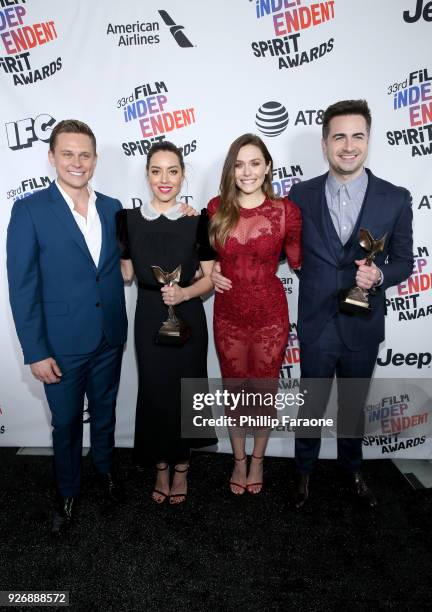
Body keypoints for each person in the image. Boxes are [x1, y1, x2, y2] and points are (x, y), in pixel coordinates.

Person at [214, 101, 414, 508]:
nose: (348, 145)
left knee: (354, 405)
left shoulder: (395, 198)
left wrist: (378, 276)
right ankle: (302, 473)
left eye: (357, 135)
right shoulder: (299, 197)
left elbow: (405, 261)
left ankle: (353, 470)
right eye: (339, 136)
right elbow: (262, 244)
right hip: (317, 321)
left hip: (363, 322)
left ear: (368, 140)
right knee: (311, 402)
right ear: (324, 144)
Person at [7, 120, 128, 535]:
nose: (77, 162)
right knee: (65, 423)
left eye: (85, 154)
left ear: (95, 159)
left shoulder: (113, 208)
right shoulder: (29, 210)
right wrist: (35, 350)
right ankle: (67, 490)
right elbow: (22, 286)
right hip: (60, 344)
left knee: (107, 414)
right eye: (68, 154)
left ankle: (107, 473)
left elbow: (131, 258)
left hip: (109, 335)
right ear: (52, 158)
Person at [116, 141, 217, 505]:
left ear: (182, 174)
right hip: (148, 315)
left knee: (187, 391)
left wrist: (185, 295)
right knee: (156, 392)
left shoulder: (198, 221)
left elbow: (209, 278)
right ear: (146, 174)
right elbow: (125, 275)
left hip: (188, 314)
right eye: (156, 171)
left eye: (172, 171)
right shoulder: (126, 221)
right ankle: (161, 469)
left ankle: (182, 468)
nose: (164, 179)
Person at [207, 133, 302, 495]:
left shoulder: (285, 211)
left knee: (263, 393)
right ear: (232, 169)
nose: (247, 171)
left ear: (267, 168)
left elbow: (299, 260)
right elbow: (207, 259)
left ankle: (258, 461)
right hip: (228, 314)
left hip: (270, 314)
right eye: (239, 164)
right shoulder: (216, 208)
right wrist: (209, 272)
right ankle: (238, 459)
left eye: (254, 163)